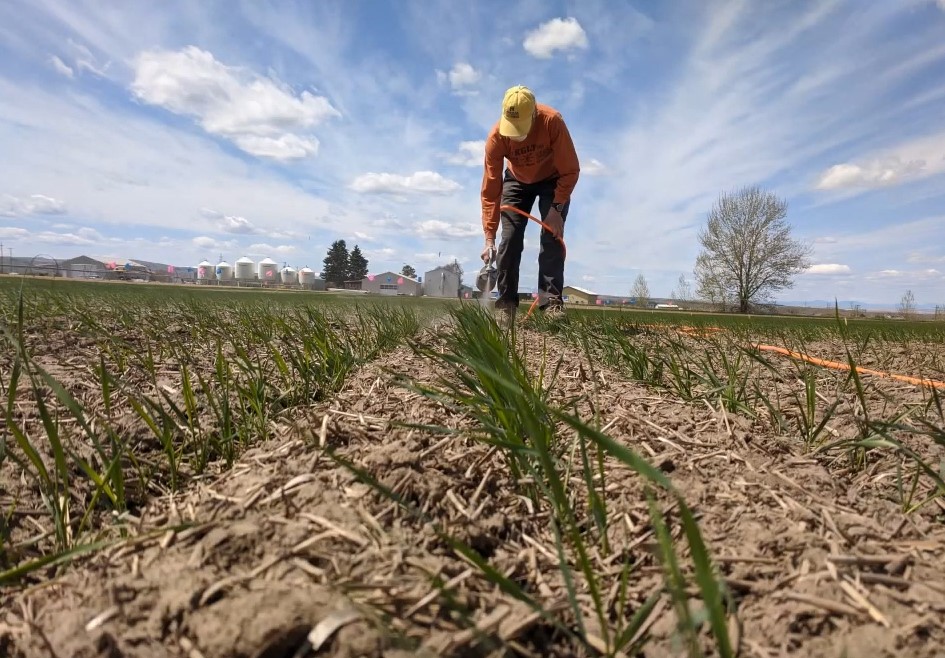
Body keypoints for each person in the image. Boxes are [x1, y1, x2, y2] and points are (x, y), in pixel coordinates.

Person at [480, 85, 580, 318]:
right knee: (509, 238)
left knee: (551, 237)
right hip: (516, 181)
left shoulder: (551, 122)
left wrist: (557, 208)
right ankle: (506, 305)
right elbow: (490, 191)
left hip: (553, 180)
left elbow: (570, 170)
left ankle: (551, 305)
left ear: (534, 114)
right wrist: (489, 237)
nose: (515, 135)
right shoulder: (496, 138)